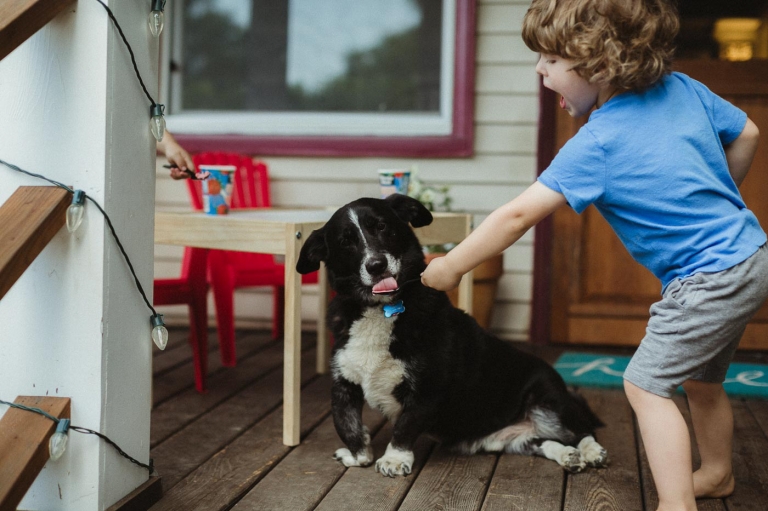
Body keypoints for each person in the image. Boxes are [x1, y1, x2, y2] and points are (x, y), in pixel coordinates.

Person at [421, 1, 767, 509]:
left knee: (645, 386)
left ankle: (677, 504)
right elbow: (748, 133)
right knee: (701, 379)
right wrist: (720, 196)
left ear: (600, 64)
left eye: (551, 60)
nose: (539, 70)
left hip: (707, 277)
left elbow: (517, 217)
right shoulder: (684, 88)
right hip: (750, 255)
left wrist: (449, 267)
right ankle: (715, 474)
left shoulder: (598, 142)